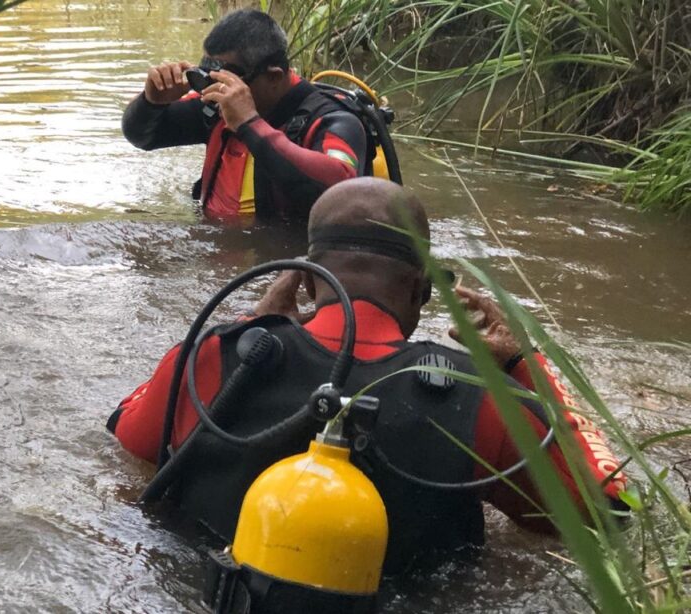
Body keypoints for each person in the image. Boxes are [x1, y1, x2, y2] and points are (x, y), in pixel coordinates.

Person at [107, 178, 627, 574]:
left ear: (307, 281)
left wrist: (250, 324)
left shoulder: (214, 357)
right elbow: (600, 517)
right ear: (422, 290)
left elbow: (126, 439)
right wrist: (523, 365)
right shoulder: (482, 399)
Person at [122, 9, 373, 221]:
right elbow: (143, 138)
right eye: (211, 80)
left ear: (274, 76)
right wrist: (151, 102)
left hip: (282, 265)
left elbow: (341, 191)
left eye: (229, 82)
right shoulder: (217, 107)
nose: (219, 92)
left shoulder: (334, 120)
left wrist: (249, 123)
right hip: (216, 250)